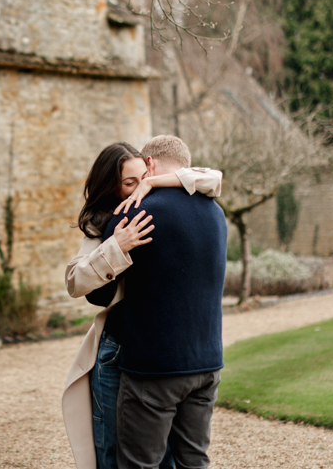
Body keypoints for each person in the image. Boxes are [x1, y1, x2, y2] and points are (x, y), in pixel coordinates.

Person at [62, 141, 222, 469]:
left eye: (144, 178)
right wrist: (115, 246)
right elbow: (80, 285)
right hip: (119, 347)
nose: (140, 188)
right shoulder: (111, 221)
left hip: (150, 358)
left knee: (149, 459)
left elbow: (210, 178)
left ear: (152, 168)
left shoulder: (151, 205)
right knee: (112, 448)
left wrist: (154, 183)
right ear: (113, 186)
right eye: (130, 183)